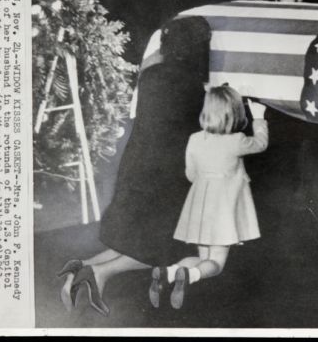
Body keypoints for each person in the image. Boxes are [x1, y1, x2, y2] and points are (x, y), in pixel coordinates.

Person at [56, 17, 212, 317]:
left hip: (138, 162)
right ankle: (99, 273)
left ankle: (81, 270)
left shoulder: (151, 74)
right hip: (166, 172)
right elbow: (198, 129)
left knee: (136, 237)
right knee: (170, 247)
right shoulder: (191, 85)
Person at [148, 86, 269, 310]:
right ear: (234, 114)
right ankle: (190, 274)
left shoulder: (194, 139)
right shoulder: (237, 140)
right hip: (223, 211)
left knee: (204, 258)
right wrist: (259, 118)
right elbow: (261, 144)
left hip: (199, 209)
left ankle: (171, 271)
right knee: (216, 264)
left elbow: (190, 175)